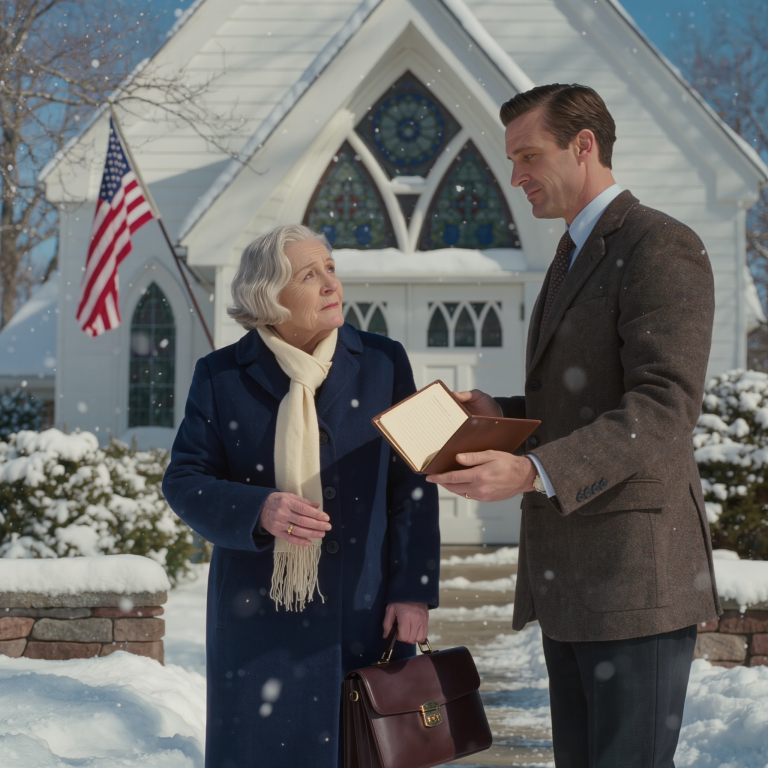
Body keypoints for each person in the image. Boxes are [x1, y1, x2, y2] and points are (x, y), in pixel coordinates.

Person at [426, 84, 721, 768]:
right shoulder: (569, 255)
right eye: (512, 159)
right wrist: (502, 416)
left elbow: (663, 406)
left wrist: (531, 470)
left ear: (584, 146)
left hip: (635, 583)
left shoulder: (661, 245)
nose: (515, 175)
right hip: (574, 585)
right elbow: (581, 403)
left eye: (529, 155)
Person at [162, 224, 440, 768]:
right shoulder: (218, 376)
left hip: (367, 613)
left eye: (330, 268)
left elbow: (418, 480)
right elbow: (185, 480)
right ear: (269, 296)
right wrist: (257, 509)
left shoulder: (389, 361)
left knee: (367, 753)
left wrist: (415, 590)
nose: (330, 283)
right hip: (258, 622)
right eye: (309, 275)